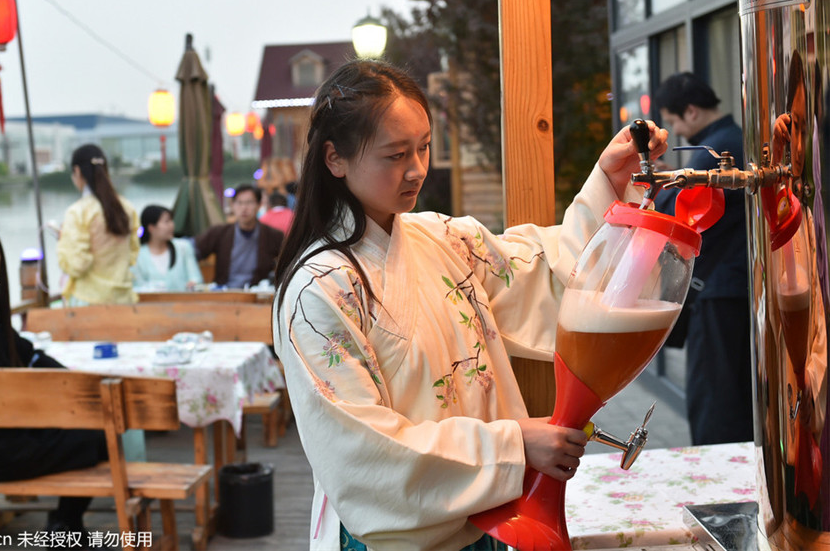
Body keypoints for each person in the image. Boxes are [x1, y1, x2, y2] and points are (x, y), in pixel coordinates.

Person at [272, 59, 669, 550]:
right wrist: (513, 444)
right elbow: (361, 448)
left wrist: (609, 182)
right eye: (395, 155)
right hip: (394, 536)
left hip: (488, 516)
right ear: (335, 159)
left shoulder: (443, 238)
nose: (417, 169)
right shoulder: (318, 291)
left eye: (423, 147)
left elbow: (551, 273)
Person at [0, 219, 108, 535]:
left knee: (94, 425)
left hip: (5, 434)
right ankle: (64, 526)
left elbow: (27, 354)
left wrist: (79, 385)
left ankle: (66, 524)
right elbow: (2, 387)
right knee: (97, 436)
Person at [653, 72, 751, 445]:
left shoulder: (715, 150)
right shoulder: (732, 140)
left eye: (674, 120)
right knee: (732, 398)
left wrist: (662, 188)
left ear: (691, 111)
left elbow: (682, 212)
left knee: (717, 402)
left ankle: (721, 488)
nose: (676, 130)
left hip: (718, 293)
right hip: (732, 288)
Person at [56, 144, 140, 306]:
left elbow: (77, 264)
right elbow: (132, 255)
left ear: (77, 171)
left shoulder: (78, 211)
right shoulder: (127, 208)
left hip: (89, 302)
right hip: (124, 300)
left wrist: (63, 243)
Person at [194, 183, 284, 288]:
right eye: (239, 203)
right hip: (224, 293)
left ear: (259, 205)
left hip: (256, 294)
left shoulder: (273, 236)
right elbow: (192, 250)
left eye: (249, 203)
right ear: (232, 205)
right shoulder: (220, 232)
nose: (244, 208)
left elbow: (289, 261)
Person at [132, 204, 203, 292]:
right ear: (151, 228)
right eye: (166, 221)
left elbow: (196, 278)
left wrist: (193, 283)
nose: (171, 225)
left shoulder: (183, 247)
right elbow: (137, 287)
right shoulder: (137, 255)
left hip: (184, 303)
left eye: (171, 220)